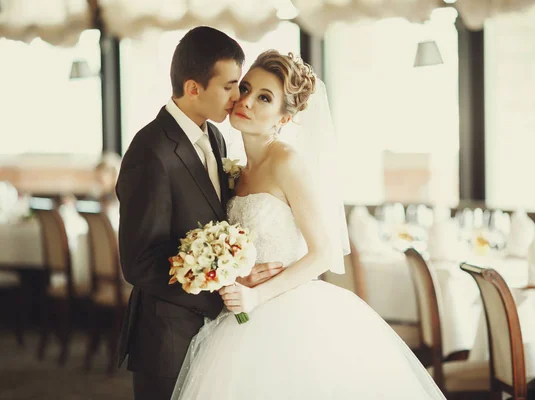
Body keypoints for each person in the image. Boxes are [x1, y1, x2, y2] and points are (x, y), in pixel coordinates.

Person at [170, 50, 446, 400]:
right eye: (246, 88)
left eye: (264, 98)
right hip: (242, 313)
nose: (247, 101)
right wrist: (237, 278)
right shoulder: (236, 169)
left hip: (289, 313)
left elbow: (325, 252)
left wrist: (257, 296)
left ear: (282, 119)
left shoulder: (286, 161)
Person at [116, 27, 284, 400]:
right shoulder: (150, 152)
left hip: (214, 335)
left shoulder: (215, 135)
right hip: (167, 338)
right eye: (229, 86)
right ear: (193, 88)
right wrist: (223, 291)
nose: (237, 97)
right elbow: (140, 263)